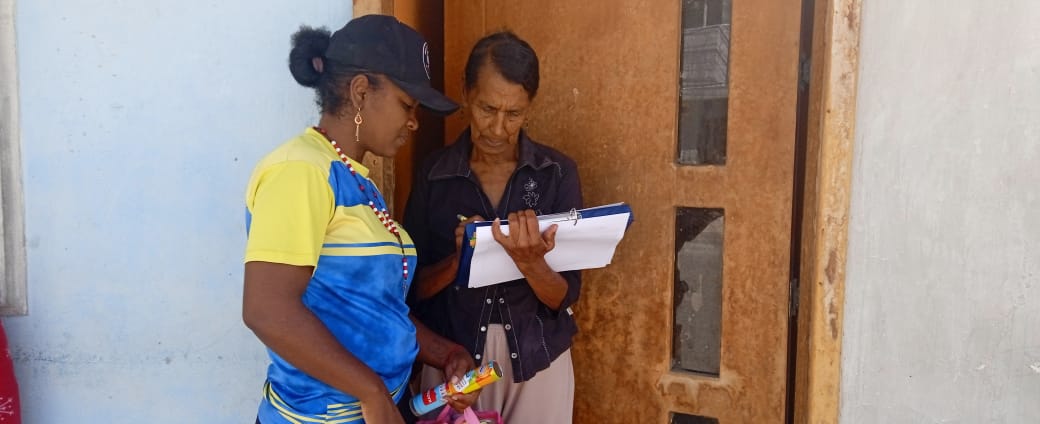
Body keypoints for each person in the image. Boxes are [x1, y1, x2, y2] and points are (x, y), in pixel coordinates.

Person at [242, 15, 479, 424]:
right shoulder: (301, 170)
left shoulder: (357, 181)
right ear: (361, 91)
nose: (414, 121)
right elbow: (267, 308)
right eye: (407, 105)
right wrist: (371, 392)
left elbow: (370, 307)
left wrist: (447, 354)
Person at [404, 31, 582, 423]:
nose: (498, 128)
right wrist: (458, 262)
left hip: (538, 361)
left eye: (513, 114)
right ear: (466, 92)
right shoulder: (436, 175)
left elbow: (563, 297)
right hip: (454, 363)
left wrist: (531, 263)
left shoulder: (555, 175)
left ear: (530, 107)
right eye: (487, 108)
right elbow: (410, 289)